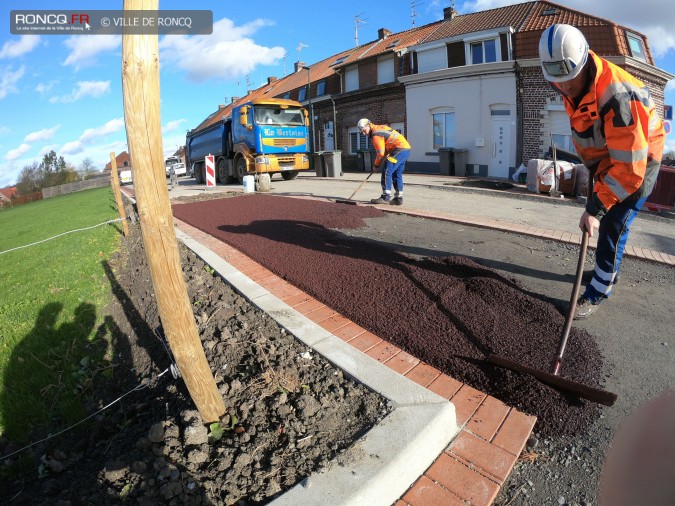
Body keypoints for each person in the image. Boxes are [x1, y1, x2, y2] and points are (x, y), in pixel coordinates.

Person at [538, 24, 665, 319]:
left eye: (569, 79)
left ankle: (598, 292)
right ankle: (606, 271)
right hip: (609, 161)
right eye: (559, 80)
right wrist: (596, 199)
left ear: (583, 61)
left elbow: (630, 170)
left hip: (640, 161)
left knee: (613, 227)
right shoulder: (564, 79)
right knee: (600, 216)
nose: (564, 87)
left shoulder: (620, 96)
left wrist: (596, 209)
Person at [357, 118, 411, 205]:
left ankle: (385, 197)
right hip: (405, 150)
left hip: (398, 150)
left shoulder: (375, 134)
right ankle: (398, 198)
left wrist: (376, 165)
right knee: (397, 174)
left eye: (364, 130)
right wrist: (378, 164)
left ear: (368, 125)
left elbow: (381, 154)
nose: (364, 133)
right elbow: (385, 151)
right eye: (361, 132)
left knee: (387, 171)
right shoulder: (379, 128)